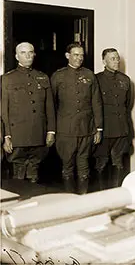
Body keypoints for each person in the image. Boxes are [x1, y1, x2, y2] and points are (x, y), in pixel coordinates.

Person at [51, 43, 103, 194]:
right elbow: (51, 105)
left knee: (84, 165)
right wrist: (52, 130)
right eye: (76, 55)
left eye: (81, 55)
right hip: (65, 130)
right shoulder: (58, 76)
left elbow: (96, 102)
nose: (79, 58)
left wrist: (98, 128)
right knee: (67, 166)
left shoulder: (89, 75)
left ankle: (83, 198)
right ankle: (69, 198)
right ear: (68, 56)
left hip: (86, 128)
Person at [1, 42, 56, 183]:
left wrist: (51, 131)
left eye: (30, 52)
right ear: (16, 56)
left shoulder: (43, 77)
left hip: (38, 132)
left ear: (34, 54)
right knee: (18, 172)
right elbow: (3, 110)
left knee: (34, 171)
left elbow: (49, 106)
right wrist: (6, 135)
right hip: (17, 133)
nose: (28, 56)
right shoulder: (7, 79)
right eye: (23, 53)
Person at [94, 48, 131, 190]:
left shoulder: (125, 80)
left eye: (117, 58)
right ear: (104, 61)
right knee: (101, 163)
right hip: (104, 128)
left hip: (121, 129)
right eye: (112, 59)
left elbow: (127, 104)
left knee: (118, 163)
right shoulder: (96, 79)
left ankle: (117, 194)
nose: (116, 61)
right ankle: (101, 195)